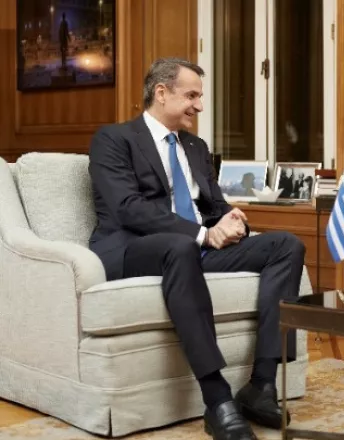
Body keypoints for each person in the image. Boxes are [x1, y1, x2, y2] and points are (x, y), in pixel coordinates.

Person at [88, 57, 305, 440]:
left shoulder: (195, 146)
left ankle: (262, 384)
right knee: (180, 246)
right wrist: (203, 235)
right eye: (191, 96)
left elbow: (215, 206)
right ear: (161, 92)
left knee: (286, 245)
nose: (199, 106)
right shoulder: (114, 139)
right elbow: (127, 209)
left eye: (200, 97)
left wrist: (233, 221)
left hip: (191, 250)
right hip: (133, 249)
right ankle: (217, 399)